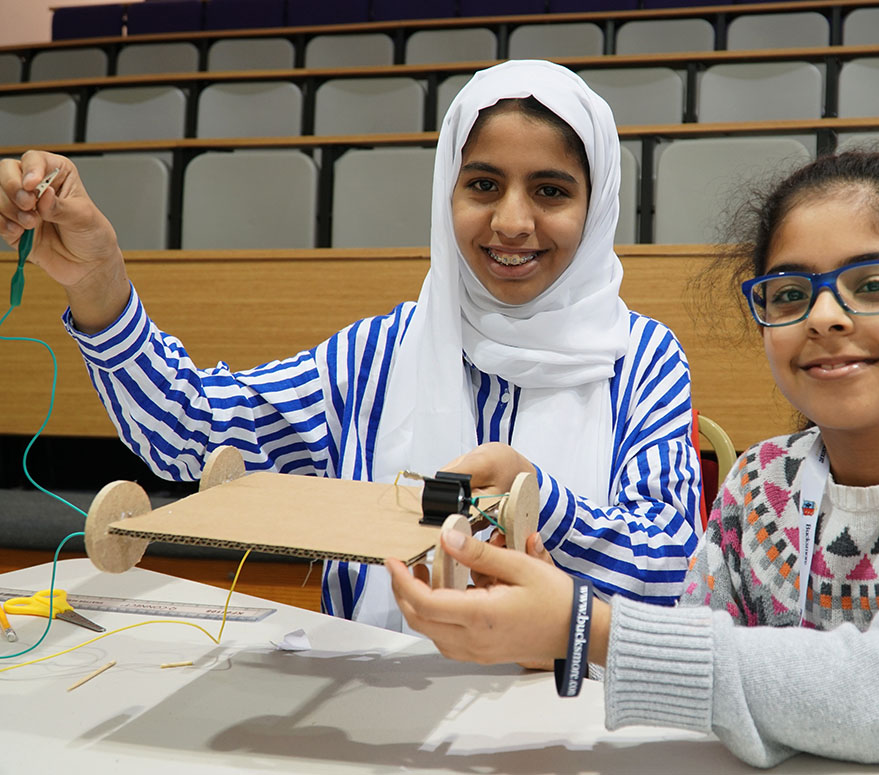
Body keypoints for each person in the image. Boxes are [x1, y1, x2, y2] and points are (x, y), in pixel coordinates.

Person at [387, 151, 879, 774]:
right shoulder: (760, 484)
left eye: (874, 284)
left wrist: (586, 627)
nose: (823, 314)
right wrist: (538, 631)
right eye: (789, 294)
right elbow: (697, 674)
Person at [0, 60, 701, 630]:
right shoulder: (381, 354)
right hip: (382, 706)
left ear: (599, 201)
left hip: (566, 711)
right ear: (445, 194)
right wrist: (99, 282)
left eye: (551, 190)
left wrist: (537, 502)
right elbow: (189, 431)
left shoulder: (640, 360)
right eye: (482, 184)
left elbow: (674, 570)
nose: (511, 221)